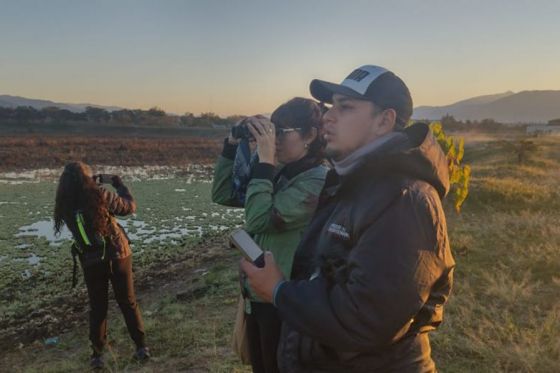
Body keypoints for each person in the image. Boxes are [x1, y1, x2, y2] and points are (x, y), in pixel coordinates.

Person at [241, 65, 455, 372]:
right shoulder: (357, 184)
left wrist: (279, 291)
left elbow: (368, 318)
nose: (327, 116)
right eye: (331, 106)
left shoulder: (405, 200)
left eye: (346, 107)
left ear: (384, 120)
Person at [212, 97, 328, 373]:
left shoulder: (317, 181)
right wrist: (231, 145)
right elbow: (223, 194)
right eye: (270, 132)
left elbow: (258, 218)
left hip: (285, 299)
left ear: (310, 135)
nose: (272, 141)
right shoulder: (281, 172)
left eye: (281, 133)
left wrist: (265, 164)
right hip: (257, 294)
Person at [54, 162, 149, 369]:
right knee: (128, 302)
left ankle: (97, 356)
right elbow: (129, 207)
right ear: (87, 178)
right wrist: (119, 184)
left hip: (90, 261)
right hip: (118, 255)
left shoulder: (65, 203)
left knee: (98, 308)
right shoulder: (100, 195)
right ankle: (141, 348)